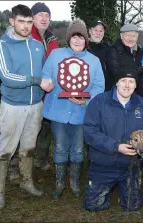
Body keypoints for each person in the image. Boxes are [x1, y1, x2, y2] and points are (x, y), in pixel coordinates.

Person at [41, 19, 105, 198]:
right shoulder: (55, 55)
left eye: (81, 37)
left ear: (86, 40)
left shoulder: (94, 61)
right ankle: (60, 183)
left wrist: (85, 101)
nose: (78, 41)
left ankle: (74, 182)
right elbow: (46, 75)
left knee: (77, 149)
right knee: (60, 147)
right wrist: (47, 84)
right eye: (74, 37)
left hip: (82, 114)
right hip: (58, 111)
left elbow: (99, 86)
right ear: (69, 38)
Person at [0, 4, 47, 209]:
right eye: (21, 21)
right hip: (13, 107)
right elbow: (7, 77)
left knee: (28, 148)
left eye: (28, 22)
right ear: (12, 21)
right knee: (6, 150)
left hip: (35, 106)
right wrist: (36, 80)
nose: (25, 26)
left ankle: (27, 182)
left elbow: (45, 72)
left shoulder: (37, 45)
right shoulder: (2, 45)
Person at [83, 67, 143, 212]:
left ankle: (126, 190)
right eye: (123, 81)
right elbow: (89, 131)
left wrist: (141, 146)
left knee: (133, 205)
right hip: (103, 162)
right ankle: (106, 189)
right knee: (94, 206)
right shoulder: (99, 101)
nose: (127, 85)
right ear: (116, 83)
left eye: (131, 81)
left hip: (131, 165)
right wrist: (116, 146)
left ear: (136, 85)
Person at [7, 1, 60, 185]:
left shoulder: (53, 39)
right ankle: (13, 167)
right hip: (26, 93)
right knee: (19, 131)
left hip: (47, 93)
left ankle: (40, 159)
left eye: (47, 15)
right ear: (32, 18)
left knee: (43, 128)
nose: (44, 18)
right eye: (40, 15)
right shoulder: (27, 38)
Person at [106, 24, 143, 98]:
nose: (131, 39)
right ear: (121, 36)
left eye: (133, 36)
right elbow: (116, 72)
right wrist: (140, 69)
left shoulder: (140, 51)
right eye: (128, 35)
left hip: (138, 94)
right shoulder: (114, 51)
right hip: (118, 94)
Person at [87, 19, 112, 91]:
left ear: (104, 33)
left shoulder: (108, 49)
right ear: (89, 31)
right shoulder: (83, 47)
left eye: (101, 31)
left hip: (105, 89)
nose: (98, 33)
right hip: (86, 88)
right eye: (95, 30)